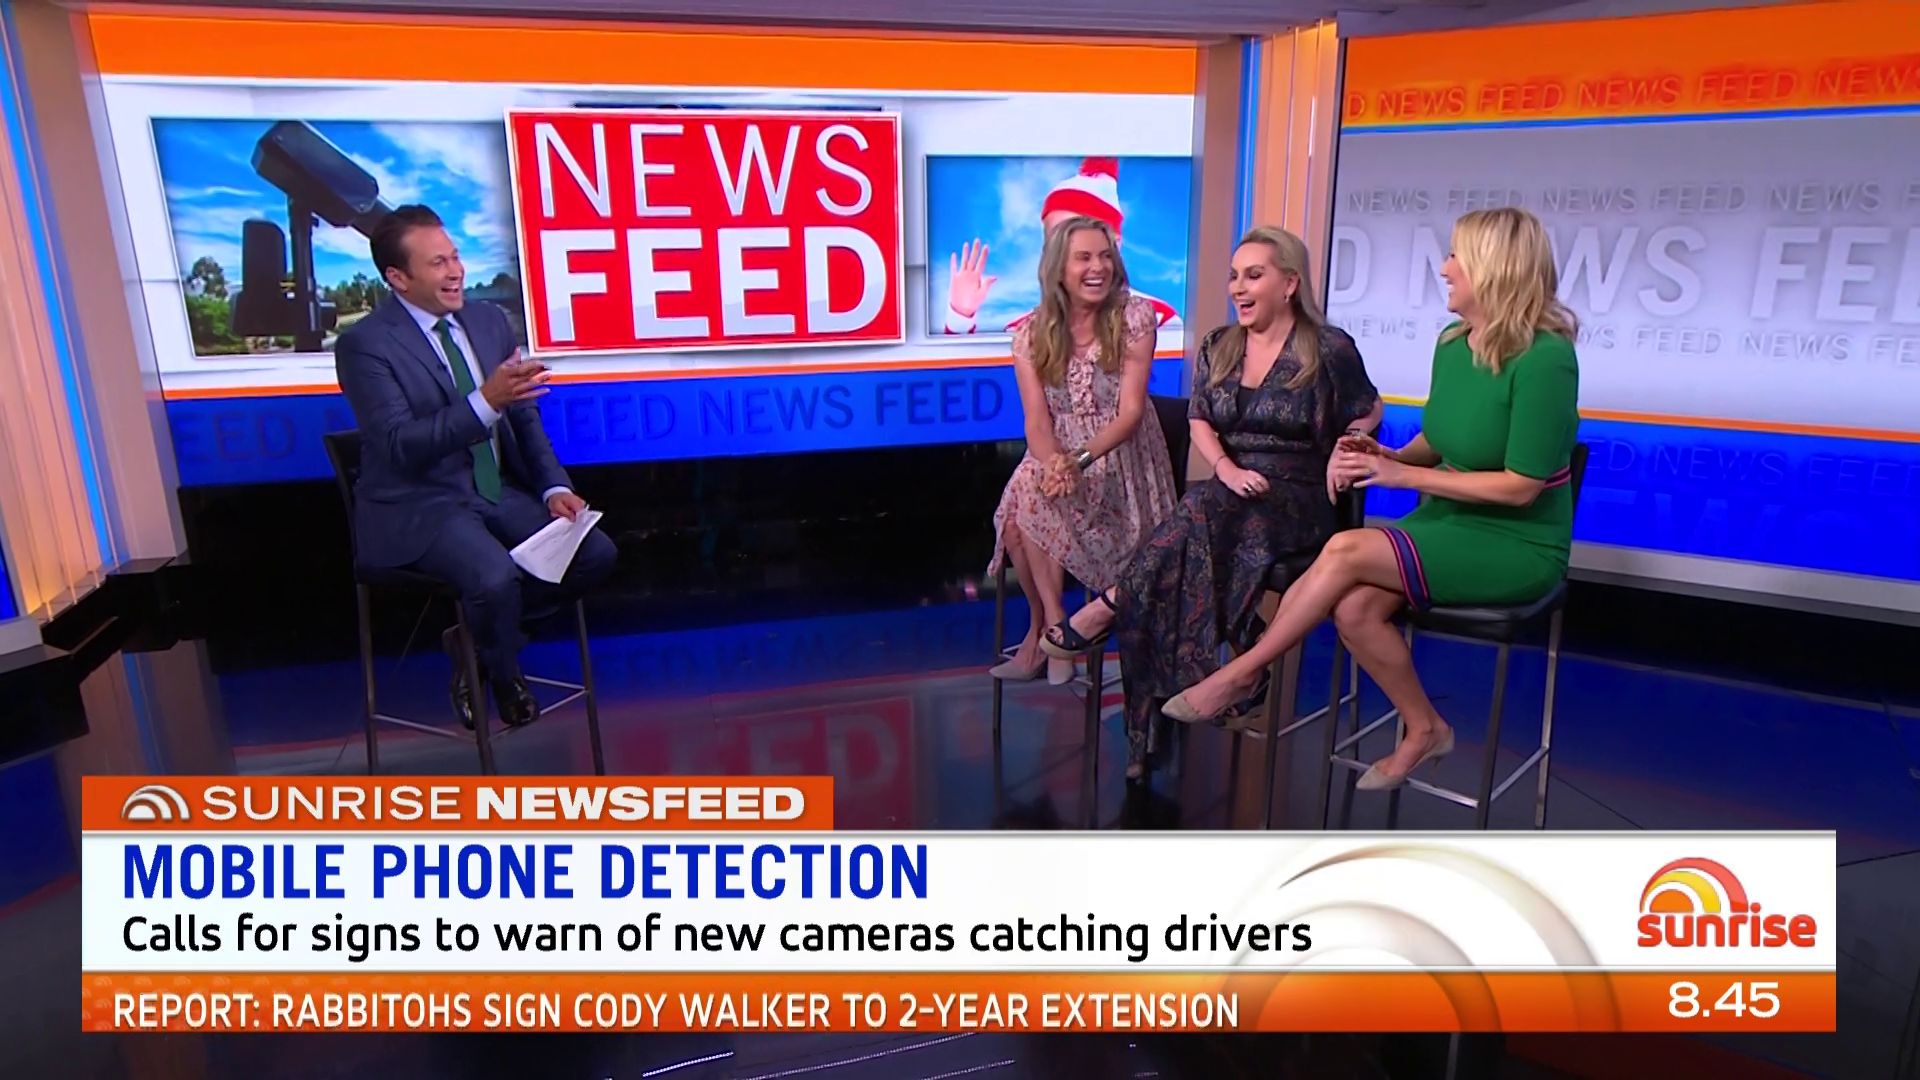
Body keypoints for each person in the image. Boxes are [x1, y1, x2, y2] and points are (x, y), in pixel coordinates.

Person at [1161, 206, 1582, 791]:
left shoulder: (1546, 358)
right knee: (1354, 608)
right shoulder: (1453, 343)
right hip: (1448, 521)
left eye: (1456, 256)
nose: (1445, 268)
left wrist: (1403, 478)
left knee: (1344, 549)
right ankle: (1425, 727)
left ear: (1495, 266)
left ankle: (1242, 673)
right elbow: (1441, 440)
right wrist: (1382, 455)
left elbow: (1521, 486)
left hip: (1518, 541)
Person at [1040, 226, 1381, 779]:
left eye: (1254, 275)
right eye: (1234, 276)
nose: (1238, 287)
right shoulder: (1219, 344)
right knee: (1198, 519)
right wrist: (1226, 467)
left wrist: (1351, 443)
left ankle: (1115, 605)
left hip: (1298, 496)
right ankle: (1189, 691)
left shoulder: (1327, 347)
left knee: (1192, 520)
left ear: (1289, 283)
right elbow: (1200, 418)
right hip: (1231, 488)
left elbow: (1369, 407)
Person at [334, 204, 618, 731]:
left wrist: (553, 487)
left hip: (493, 490)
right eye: (438, 263)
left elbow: (525, 417)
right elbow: (398, 445)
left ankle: (478, 646)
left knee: (594, 553)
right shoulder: (364, 345)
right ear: (398, 277)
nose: (456, 272)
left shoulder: (488, 321)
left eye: (456, 257)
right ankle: (505, 675)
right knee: (494, 577)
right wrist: (485, 401)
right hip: (418, 503)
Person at [989, 215, 1177, 686]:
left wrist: (1078, 460)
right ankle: (1053, 626)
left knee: (1029, 497)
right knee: (1023, 497)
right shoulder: (1030, 334)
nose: (1098, 267)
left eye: (1105, 256)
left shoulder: (1135, 317)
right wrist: (1054, 462)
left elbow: (1130, 413)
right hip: (1059, 456)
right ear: (1058, 269)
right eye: (1084, 258)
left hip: (1121, 460)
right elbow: (1037, 421)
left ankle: (1049, 637)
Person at [943, 158, 1179, 335]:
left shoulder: (1160, 320)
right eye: (1056, 237)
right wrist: (961, 316)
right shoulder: (1024, 330)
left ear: (1115, 243)